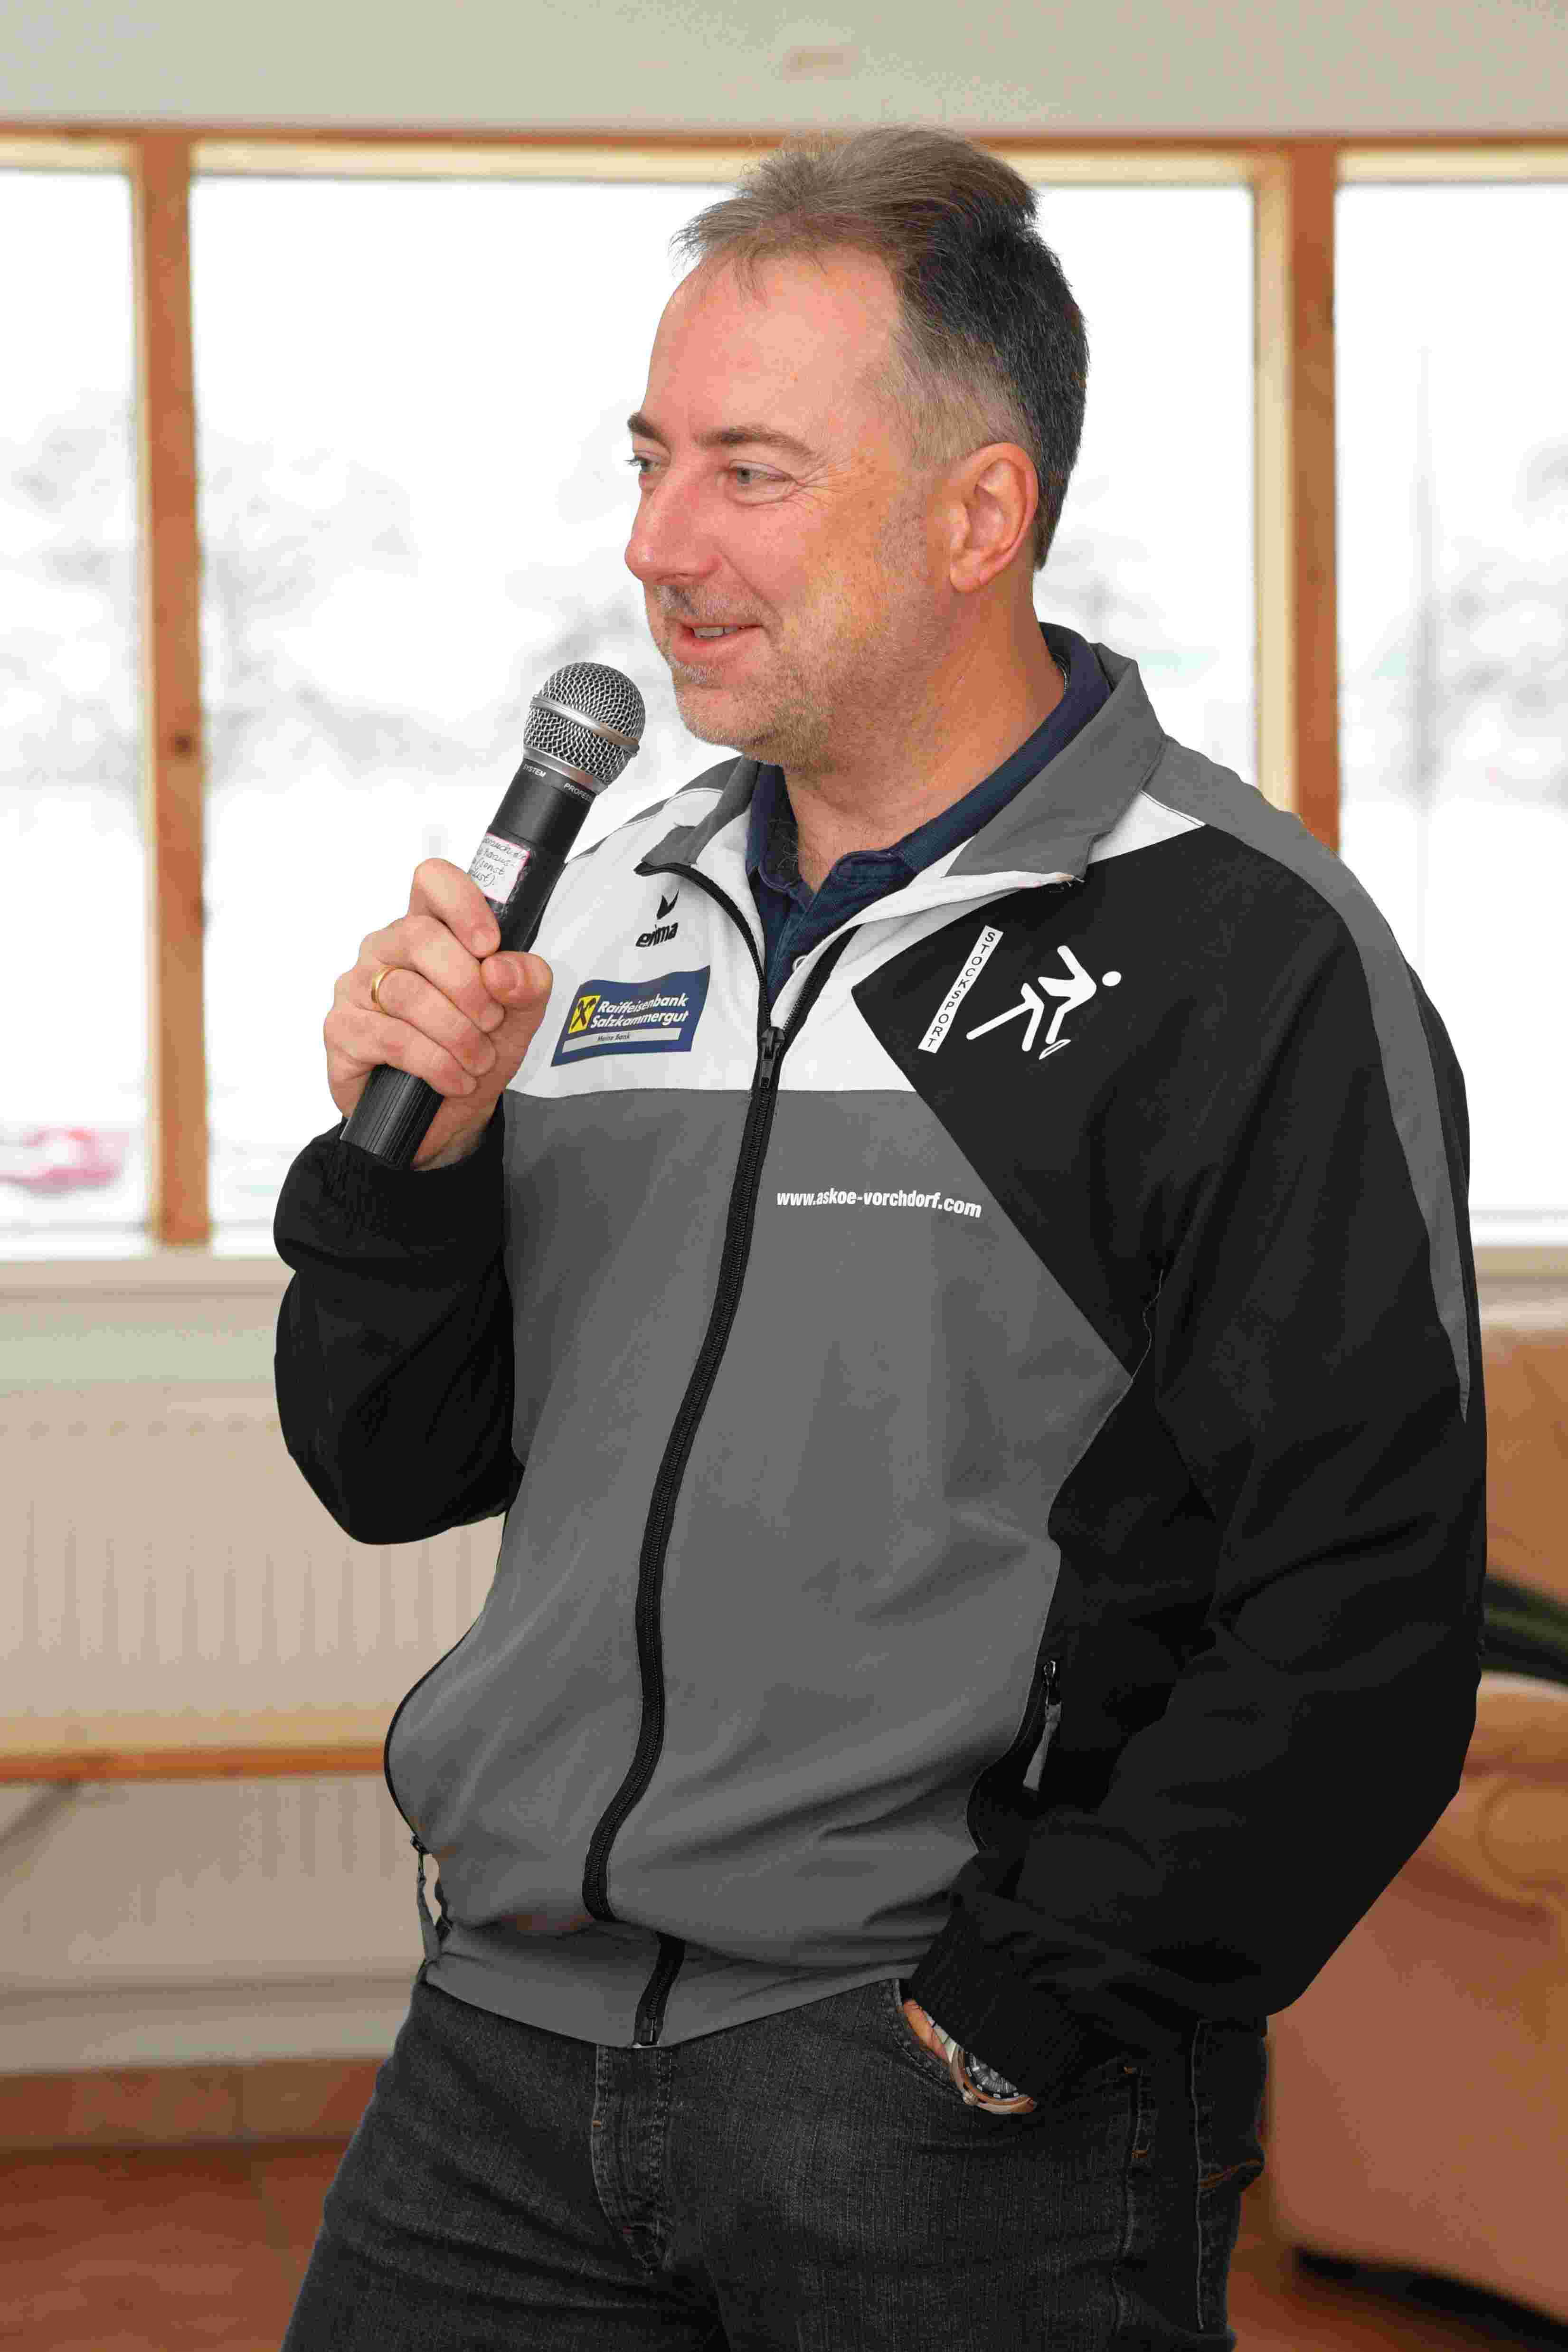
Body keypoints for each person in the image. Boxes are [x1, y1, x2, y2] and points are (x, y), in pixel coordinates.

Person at [274, 126, 1486, 2350]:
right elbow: (388, 1463)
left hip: (934, 2089)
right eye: (651, 462)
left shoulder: (1236, 954)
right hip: (503, 2048)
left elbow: (1366, 1601)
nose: (658, 547)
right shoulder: (610, 908)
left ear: (977, 514)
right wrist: (403, 1178)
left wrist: (1033, 2004)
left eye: (749, 472)